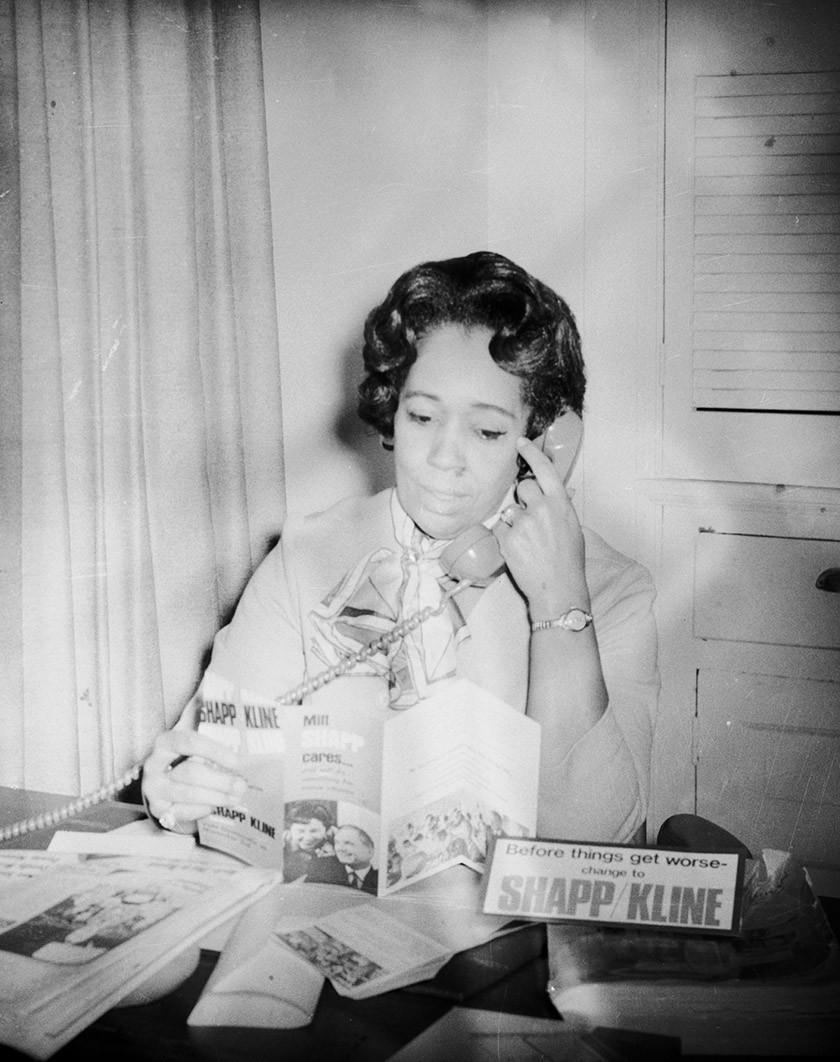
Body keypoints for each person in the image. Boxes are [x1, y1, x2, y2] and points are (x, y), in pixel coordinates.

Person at [142, 251, 659, 845]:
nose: (443, 457)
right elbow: (218, 759)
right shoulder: (309, 554)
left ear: (543, 439)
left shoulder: (615, 590)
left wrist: (560, 605)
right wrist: (181, 785)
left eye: (487, 431)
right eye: (421, 417)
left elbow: (597, 845)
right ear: (394, 408)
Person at [304, 824, 379, 894]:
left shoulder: (381, 878)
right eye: (337, 843)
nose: (339, 848)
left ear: (369, 850)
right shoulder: (322, 869)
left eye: (348, 843)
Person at [283, 801, 335, 881]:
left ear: (327, 830)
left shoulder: (336, 848)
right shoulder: (283, 850)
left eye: (314, 831)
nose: (307, 838)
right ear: (290, 831)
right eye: (301, 831)